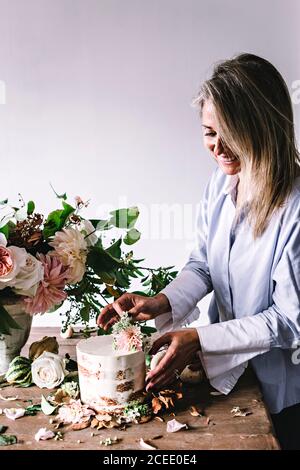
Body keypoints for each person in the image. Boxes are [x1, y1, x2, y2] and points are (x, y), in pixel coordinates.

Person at [98, 53, 300, 450]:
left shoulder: (295, 207)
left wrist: (200, 339)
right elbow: (203, 265)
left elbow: (290, 321)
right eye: (209, 132)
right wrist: (161, 301)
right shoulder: (222, 183)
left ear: (263, 127)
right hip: (231, 378)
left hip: (285, 394)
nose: (218, 148)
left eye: (231, 133)